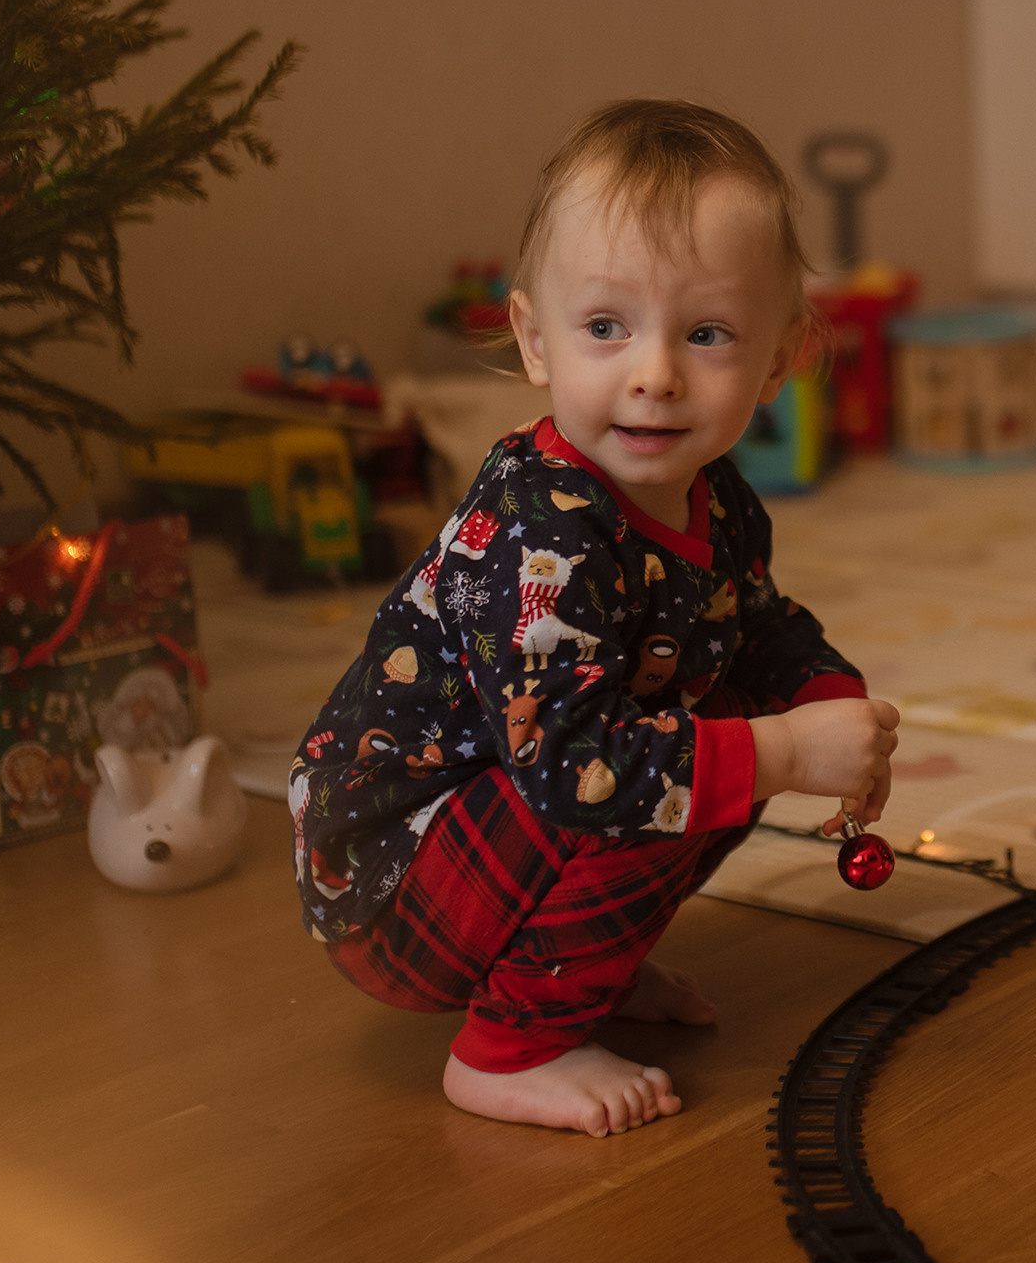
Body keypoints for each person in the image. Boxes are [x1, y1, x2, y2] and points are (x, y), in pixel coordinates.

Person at [293, 98, 898, 1137]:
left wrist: (828, 702)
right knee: (688, 757)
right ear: (534, 339)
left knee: (735, 715)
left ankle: (576, 968)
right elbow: (575, 767)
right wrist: (786, 750)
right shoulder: (542, 527)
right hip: (391, 879)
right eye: (605, 327)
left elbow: (754, 622)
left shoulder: (716, 494)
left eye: (706, 333)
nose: (653, 373)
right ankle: (507, 1047)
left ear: (782, 355)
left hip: (506, 821)